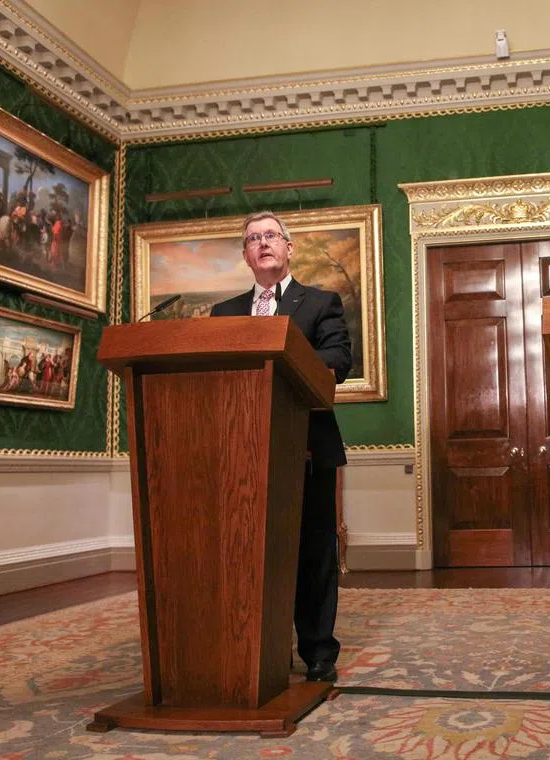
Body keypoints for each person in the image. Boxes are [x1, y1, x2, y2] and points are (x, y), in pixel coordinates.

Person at [210, 210, 353, 683]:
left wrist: (279, 356)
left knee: (312, 553)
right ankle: (253, 645)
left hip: (307, 445)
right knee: (249, 551)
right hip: (241, 450)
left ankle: (318, 651)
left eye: (271, 235)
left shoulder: (320, 303)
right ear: (246, 255)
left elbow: (336, 359)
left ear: (289, 248)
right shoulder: (223, 315)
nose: (263, 243)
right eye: (253, 238)